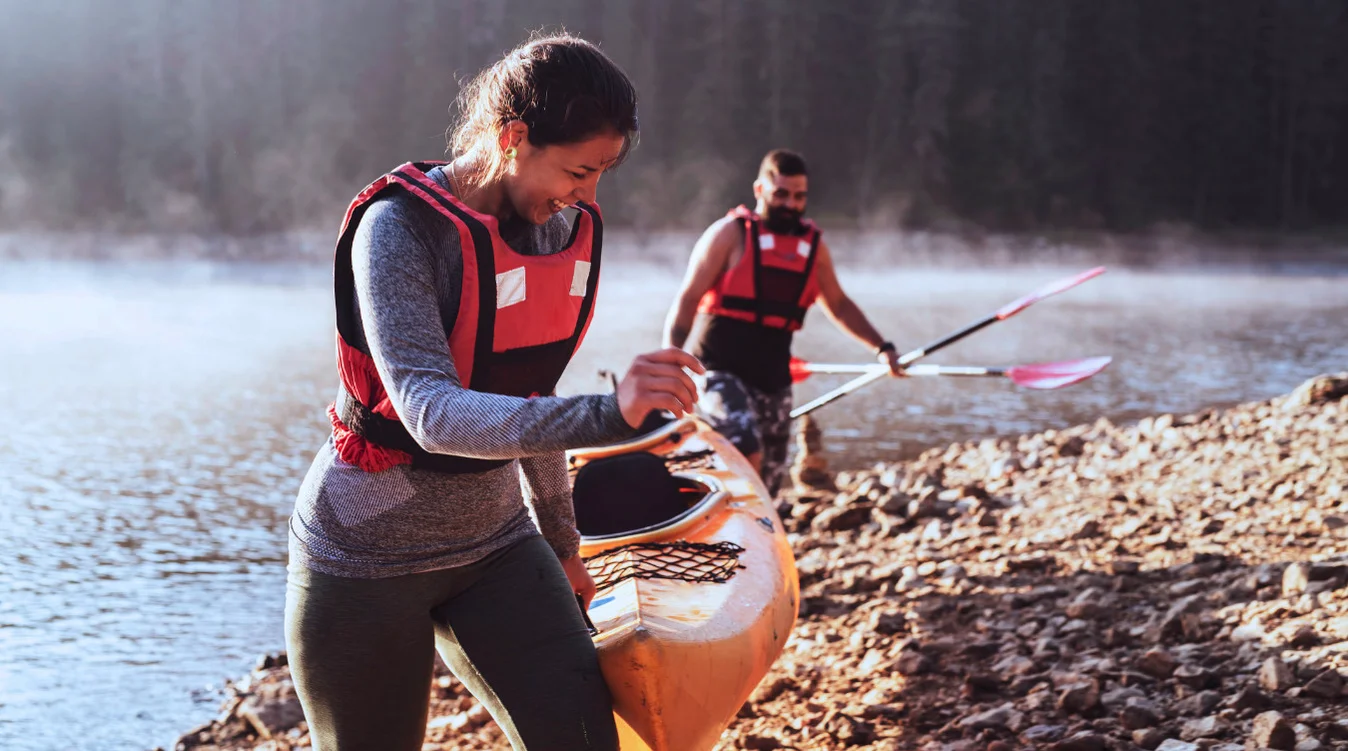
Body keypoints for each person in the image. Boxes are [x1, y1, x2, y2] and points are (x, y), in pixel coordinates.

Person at [285, 34, 702, 751]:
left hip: (498, 543)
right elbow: (429, 411)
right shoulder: (398, 230)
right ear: (513, 138)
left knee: (580, 741)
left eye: (602, 173)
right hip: (367, 550)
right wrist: (610, 415)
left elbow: (528, 402)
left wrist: (565, 543)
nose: (588, 195)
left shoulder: (553, 228)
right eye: (578, 170)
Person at [662, 149, 903, 497]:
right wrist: (670, 361)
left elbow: (838, 304)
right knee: (746, 448)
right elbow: (687, 300)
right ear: (760, 190)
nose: (791, 204)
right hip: (717, 372)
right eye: (782, 194)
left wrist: (883, 348)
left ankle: (753, 543)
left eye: (799, 196)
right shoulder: (729, 234)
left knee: (768, 487)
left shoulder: (813, 247)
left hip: (774, 381)